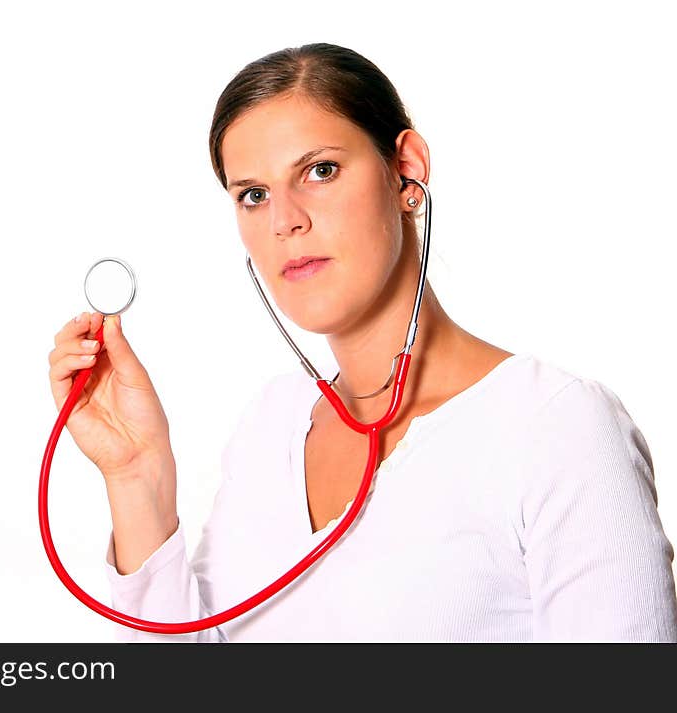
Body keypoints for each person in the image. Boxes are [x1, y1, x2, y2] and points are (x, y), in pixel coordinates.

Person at [47, 43, 677, 642]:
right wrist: (136, 474)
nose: (285, 220)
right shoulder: (271, 424)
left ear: (407, 171)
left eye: (319, 171)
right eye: (253, 194)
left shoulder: (557, 426)